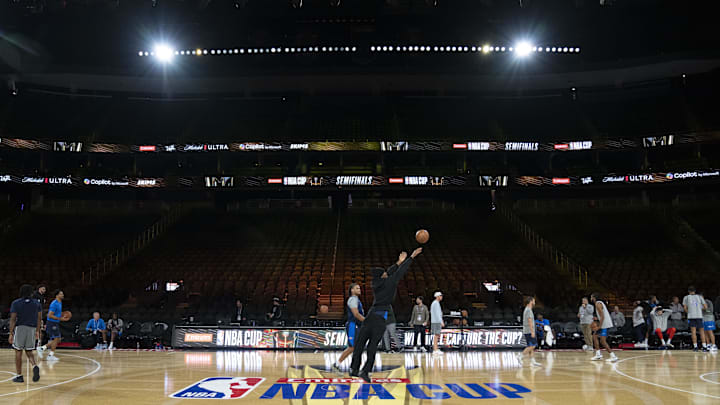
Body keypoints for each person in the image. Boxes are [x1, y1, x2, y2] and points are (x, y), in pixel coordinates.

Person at [350, 247, 422, 383]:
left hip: (371, 315)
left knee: (359, 344)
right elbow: (400, 272)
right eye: (384, 273)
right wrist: (411, 257)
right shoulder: (390, 282)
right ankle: (365, 372)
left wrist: (398, 262)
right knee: (372, 347)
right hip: (380, 318)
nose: (386, 273)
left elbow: (389, 272)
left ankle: (354, 369)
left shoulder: (376, 283)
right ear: (383, 276)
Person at [9, 284, 41, 383]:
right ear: (31, 292)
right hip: (32, 328)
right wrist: (37, 331)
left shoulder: (16, 303)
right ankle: (34, 365)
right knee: (29, 351)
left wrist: (11, 333)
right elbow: (39, 319)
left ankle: (19, 376)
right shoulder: (36, 303)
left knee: (18, 351)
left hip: (20, 328)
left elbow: (13, 319)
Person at [332, 283, 365, 374]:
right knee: (352, 347)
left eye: (359, 288)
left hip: (356, 325)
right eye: (357, 288)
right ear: (352, 290)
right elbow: (356, 314)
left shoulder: (357, 300)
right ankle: (337, 364)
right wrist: (366, 321)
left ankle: (354, 368)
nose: (359, 289)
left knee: (356, 347)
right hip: (352, 325)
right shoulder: (352, 299)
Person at [590, 292, 618, 362]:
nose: (591, 298)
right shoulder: (599, 303)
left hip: (605, 324)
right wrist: (597, 319)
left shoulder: (597, 304)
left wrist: (599, 326)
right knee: (594, 336)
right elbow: (601, 315)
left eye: (591, 297)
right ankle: (598, 354)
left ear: (594, 297)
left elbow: (602, 316)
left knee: (603, 341)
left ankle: (613, 356)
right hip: (604, 323)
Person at [38, 289, 65, 361]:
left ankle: (46, 352)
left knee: (57, 339)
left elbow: (57, 313)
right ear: (57, 295)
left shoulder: (60, 302)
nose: (63, 295)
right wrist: (60, 318)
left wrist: (62, 316)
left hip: (55, 322)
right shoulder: (54, 303)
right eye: (61, 294)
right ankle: (45, 352)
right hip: (52, 323)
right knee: (57, 339)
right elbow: (50, 315)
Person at [517, 296, 541, 367]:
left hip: (527, 330)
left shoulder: (527, 309)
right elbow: (530, 321)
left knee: (531, 347)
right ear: (530, 301)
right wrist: (532, 331)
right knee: (533, 346)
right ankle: (520, 356)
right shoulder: (528, 310)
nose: (534, 302)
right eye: (533, 300)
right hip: (529, 331)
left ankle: (533, 362)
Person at [683, 286, 708, 352]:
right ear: (695, 291)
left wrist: (689, 312)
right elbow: (705, 307)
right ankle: (704, 347)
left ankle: (695, 347)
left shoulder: (686, 297)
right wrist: (699, 309)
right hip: (699, 316)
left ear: (688, 291)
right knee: (702, 331)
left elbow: (685, 308)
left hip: (691, 316)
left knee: (693, 332)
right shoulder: (700, 297)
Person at [31, 285, 47, 350]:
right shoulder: (34, 295)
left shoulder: (42, 297)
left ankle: (38, 343)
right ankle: (34, 343)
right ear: (39, 289)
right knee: (35, 329)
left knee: (40, 329)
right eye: (43, 289)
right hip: (34, 316)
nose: (44, 291)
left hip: (40, 316)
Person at [430, 291, 445, 355]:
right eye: (441, 296)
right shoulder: (436, 303)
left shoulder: (434, 303)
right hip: (436, 322)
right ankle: (435, 349)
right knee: (436, 335)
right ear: (438, 297)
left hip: (435, 321)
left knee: (436, 335)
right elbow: (438, 314)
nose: (441, 297)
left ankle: (435, 348)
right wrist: (441, 321)